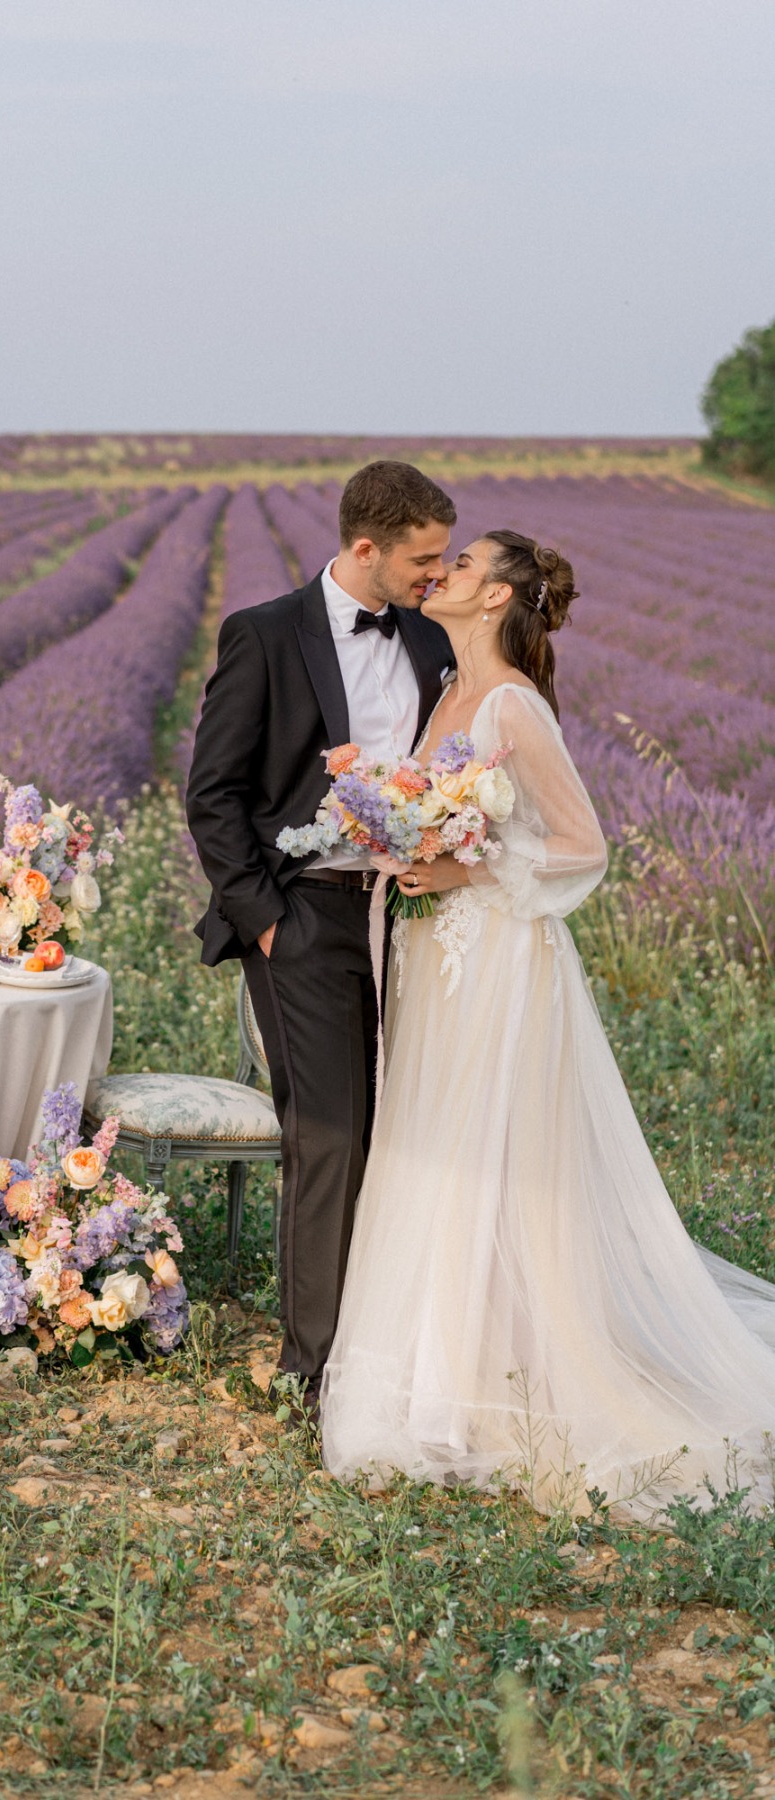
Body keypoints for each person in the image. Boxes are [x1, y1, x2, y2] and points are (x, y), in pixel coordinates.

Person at [321, 529, 775, 1518]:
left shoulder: (513, 705)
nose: (445, 572)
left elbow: (580, 847)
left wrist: (464, 867)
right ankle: (445, 1365)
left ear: (498, 598)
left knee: (497, 1152)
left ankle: (508, 1372)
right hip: (438, 958)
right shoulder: (447, 691)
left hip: (497, 959)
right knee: (439, 1146)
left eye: (467, 564)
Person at [187, 461, 454, 1413]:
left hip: (422, 919)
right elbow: (211, 795)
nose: (438, 574)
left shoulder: (433, 641)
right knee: (333, 1134)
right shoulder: (263, 635)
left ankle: (397, 1342)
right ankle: (315, 1370)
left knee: (411, 1129)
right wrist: (266, 924)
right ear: (365, 547)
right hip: (307, 916)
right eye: (424, 559)